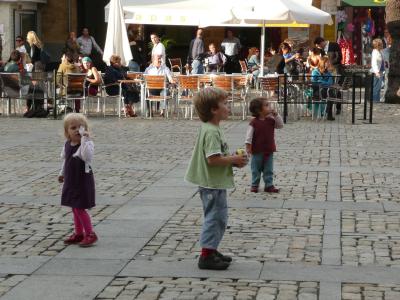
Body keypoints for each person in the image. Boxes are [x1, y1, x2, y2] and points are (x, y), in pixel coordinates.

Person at [185, 87, 248, 270]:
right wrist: (233, 160)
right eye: (225, 104)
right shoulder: (212, 132)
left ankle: (211, 250)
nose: (228, 107)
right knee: (215, 218)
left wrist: (232, 161)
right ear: (214, 109)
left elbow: (217, 155)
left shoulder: (212, 128)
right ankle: (206, 256)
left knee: (217, 217)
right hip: (212, 184)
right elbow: (212, 159)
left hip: (212, 182)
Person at [58, 113, 97, 247]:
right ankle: (79, 233)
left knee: (80, 208)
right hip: (71, 180)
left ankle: (90, 233)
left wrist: (85, 140)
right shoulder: (68, 144)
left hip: (82, 181)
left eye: (80, 127)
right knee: (74, 208)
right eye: (73, 127)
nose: (76, 130)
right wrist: (62, 173)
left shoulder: (87, 144)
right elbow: (66, 160)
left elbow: (87, 157)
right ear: (67, 131)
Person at [245, 97, 283, 193]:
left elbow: (280, 125)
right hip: (257, 150)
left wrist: (277, 115)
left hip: (269, 150)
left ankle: (269, 185)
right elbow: (248, 137)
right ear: (259, 110)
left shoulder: (271, 120)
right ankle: (255, 185)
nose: (269, 107)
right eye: (266, 105)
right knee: (255, 169)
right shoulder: (254, 123)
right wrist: (248, 147)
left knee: (268, 169)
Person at [314, 37, 343, 114]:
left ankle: (338, 108)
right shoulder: (322, 49)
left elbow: (339, 57)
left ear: (322, 42)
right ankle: (328, 109)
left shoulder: (334, 45)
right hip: (327, 71)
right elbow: (323, 59)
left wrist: (330, 63)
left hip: (335, 69)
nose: (319, 47)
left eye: (319, 46)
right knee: (328, 89)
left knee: (336, 88)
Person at [370, 38, 385, 103]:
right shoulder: (375, 52)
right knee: (375, 87)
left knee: (378, 88)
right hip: (376, 72)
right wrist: (376, 72)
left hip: (381, 71)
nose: (382, 45)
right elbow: (374, 63)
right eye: (381, 44)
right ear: (378, 45)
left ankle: (377, 100)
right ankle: (374, 101)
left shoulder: (380, 51)